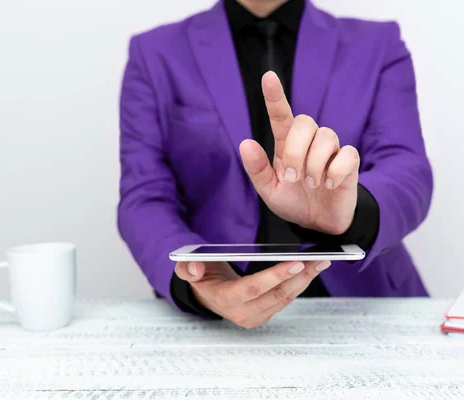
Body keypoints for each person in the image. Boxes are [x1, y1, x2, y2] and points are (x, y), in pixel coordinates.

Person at [118, 0, 433, 328]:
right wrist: (198, 281)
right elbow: (144, 194)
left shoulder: (377, 44)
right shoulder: (155, 53)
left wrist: (349, 212)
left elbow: (408, 168)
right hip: (217, 308)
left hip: (364, 305)